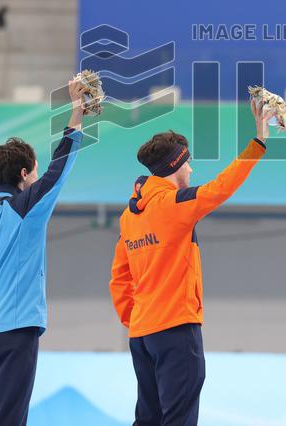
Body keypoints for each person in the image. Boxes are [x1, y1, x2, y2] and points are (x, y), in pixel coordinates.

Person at [109, 97, 273, 426]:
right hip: (175, 330)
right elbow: (222, 186)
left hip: (142, 336)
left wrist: (138, 318)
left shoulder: (130, 215)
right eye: (188, 164)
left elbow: (118, 278)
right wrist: (259, 140)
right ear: (174, 166)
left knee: (148, 420)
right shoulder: (176, 203)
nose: (191, 169)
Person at [0, 78, 86, 426]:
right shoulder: (24, 206)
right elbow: (58, 171)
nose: (34, 179)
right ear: (23, 173)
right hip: (15, 333)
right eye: (31, 173)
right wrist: (77, 112)